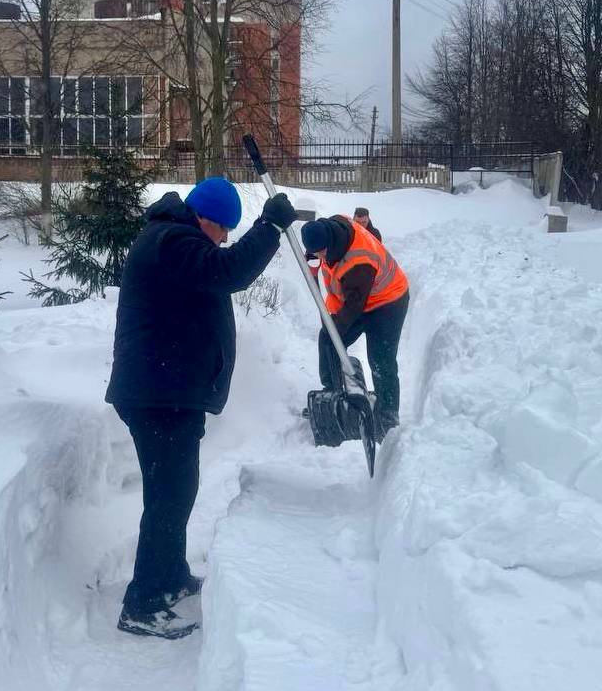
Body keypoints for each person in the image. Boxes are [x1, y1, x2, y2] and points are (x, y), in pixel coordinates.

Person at [105, 177, 297, 640]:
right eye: (223, 228)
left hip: (168, 392)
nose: (225, 238)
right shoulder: (171, 240)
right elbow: (226, 272)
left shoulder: (175, 239)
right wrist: (268, 227)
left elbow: (216, 271)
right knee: (167, 497)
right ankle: (144, 603)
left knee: (177, 491)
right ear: (204, 217)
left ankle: (169, 576)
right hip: (157, 394)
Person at [301, 214, 408, 434]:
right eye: (316, 253)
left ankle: (388, 417)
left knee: (380, 359)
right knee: (328, 339)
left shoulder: (359, 262)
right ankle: (332, 394)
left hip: (388, 300)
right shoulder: (332, 228)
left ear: (330, 243)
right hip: (358, 296)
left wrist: (336, 328)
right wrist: (332, 332)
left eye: (322, 252)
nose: (320, 257)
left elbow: (353, 307)